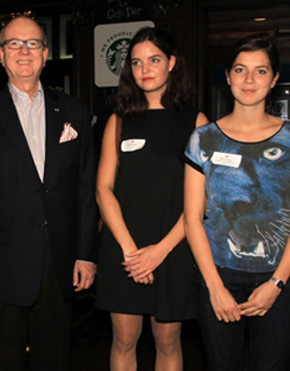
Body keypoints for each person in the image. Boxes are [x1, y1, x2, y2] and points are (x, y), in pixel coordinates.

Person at [0, 15, 98, 371]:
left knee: (54, 359)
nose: (23, 51)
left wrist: (86, 254)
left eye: (32, 43)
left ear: (45, 54)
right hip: (1, 265)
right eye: (14, 44)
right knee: (2, 361)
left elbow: (85, 190)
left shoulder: (75, 112)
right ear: (1, 56)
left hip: (60, 261)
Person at [184, 34, 290, 371]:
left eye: (260, 71)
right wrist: (214, 286)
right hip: (218, 274)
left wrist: (276, 285)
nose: (248, 80)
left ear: (273, 80)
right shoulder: (203, 138)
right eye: (241, 69)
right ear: (227, 76)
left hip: (279, 276)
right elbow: (192, 217)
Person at [94, 27, 207, 370]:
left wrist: (158, 252)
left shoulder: (196, 122)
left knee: (167, 342)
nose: (145, 69)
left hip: (172, 247)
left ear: (171, 63)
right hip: (123, 247)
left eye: (154, 60)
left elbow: (201, 202)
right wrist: (131, 252)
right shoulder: (119, 121)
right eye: (137, 62)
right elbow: (103, 190)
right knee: (124, 340)